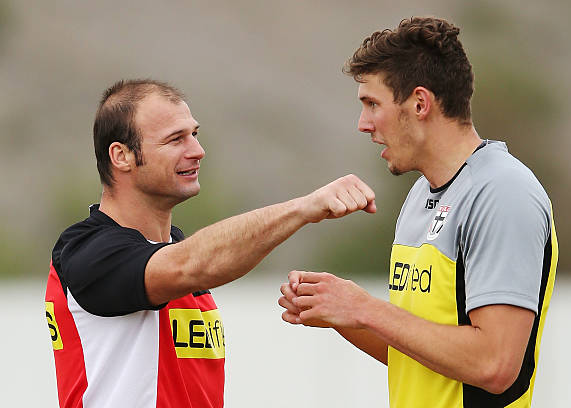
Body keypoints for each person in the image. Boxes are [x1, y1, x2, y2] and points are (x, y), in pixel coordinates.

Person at [44, 79, 376, 408]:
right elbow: (194, 264)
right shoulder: (87, 250)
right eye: (176, 139)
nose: (197, 151)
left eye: (194, 134)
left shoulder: (176, 250)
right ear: (122, 156)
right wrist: (302, 208)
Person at [279, 17, 558, 408]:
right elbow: (418, 355)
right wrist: (338, 310)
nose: (363, 124)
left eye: (372, 104)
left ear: (420, 104)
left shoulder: (503, 191)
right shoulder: (419, 195)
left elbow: (494, 365)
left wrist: (364, 307)